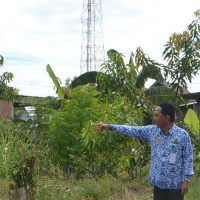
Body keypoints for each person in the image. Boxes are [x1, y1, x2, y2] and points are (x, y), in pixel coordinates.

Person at [93, 102, 194, 200]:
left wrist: (187, 180)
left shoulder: (182, 135)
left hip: (175, 185)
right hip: (158, 184)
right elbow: (131, 130)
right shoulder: (152, 131)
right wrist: (109, 126)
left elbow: (188, 157)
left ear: (166, 117)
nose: (155, 119)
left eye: (157, 116)